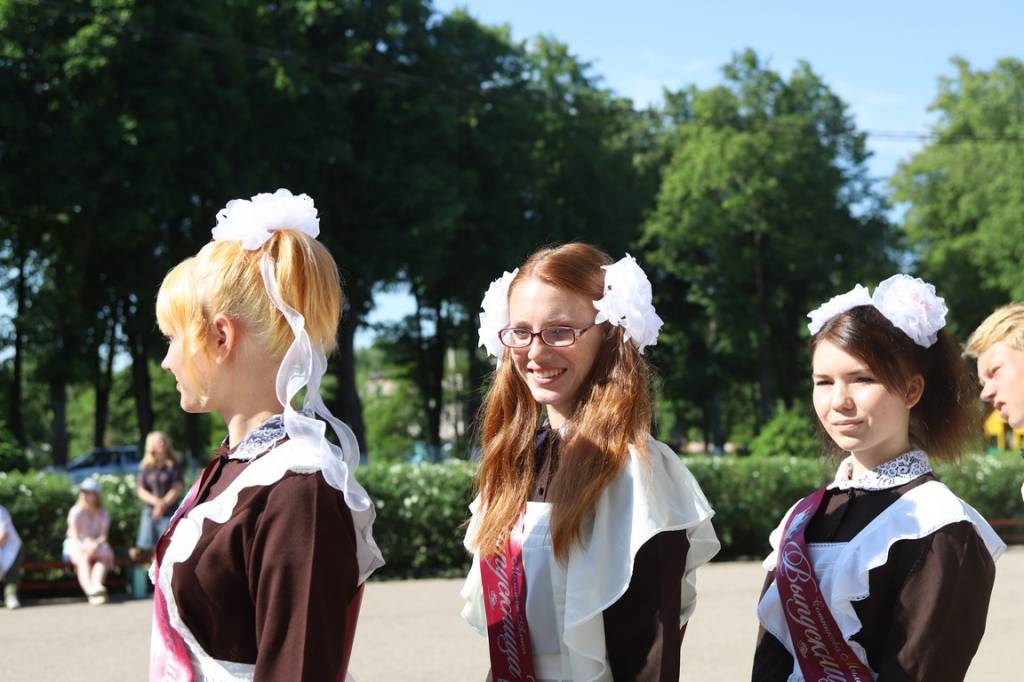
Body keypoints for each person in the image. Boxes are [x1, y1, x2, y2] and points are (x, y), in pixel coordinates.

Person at [149, 189, 383, 681]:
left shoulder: (298, 487)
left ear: (220, 336)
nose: (167, 360)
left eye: (172, 339)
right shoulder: (241, 467)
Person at [461, 243, 720, 682]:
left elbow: (648, 661)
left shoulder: (637, 473)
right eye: (521, 331)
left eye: (560, 331)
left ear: (610, 335)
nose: (535, 352)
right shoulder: (515, 463)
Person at [752, 275, 1006, 681]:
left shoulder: (941, 524)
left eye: (863, 379)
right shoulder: (802, 516)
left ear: (911, 390)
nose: (839, 401)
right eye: (823, 382)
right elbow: (770, 661)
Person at [64, 478, 115, 606]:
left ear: (96, 495)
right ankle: (91, 592)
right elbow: (74, 537)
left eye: (88, 492)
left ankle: (96, 585)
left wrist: (94, 545)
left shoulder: (103, 514)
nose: (84, 495)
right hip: (77, 544)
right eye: (83, 492)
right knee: (83, 559)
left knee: (102, 559)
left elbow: (103, 536)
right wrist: (84, 548)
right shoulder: (75, 511)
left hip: (96, 544)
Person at [134, 431, 184, 554]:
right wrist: (157, 503)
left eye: (163, 440)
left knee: (169, 547)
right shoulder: (145, 466)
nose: (162, 443)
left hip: (170, 511)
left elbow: (178, 487)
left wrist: (163, 504)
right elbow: (140, 489)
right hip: (150, 512)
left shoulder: (173, 464)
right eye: (159, 441)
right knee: (150, 550)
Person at [0, 503, 22, 609]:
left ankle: (10, 596)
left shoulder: (1, 511)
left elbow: (4, 535)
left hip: (10, 548)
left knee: (11, 574)